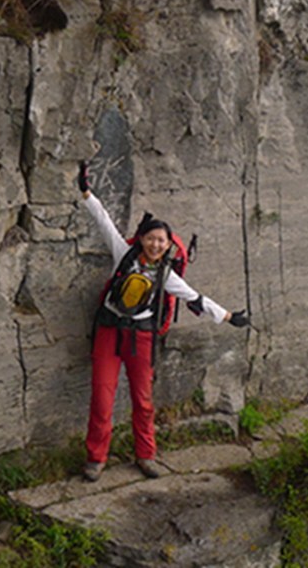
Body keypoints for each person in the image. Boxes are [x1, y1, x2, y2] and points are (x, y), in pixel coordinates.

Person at [77, 162, 249, 481]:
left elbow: (194, 298)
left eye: (162, 241)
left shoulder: (166, 274)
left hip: (142, 338)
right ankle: (96, 458)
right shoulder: (123, 254)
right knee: (102, 398)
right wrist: (86, 192)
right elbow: (103, 220)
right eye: (152, 238)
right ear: (142, 239)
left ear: (168, 245)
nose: (156, 244)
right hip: (109, 332)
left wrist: (229, 317)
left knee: (143, 401)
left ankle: (146, 455)